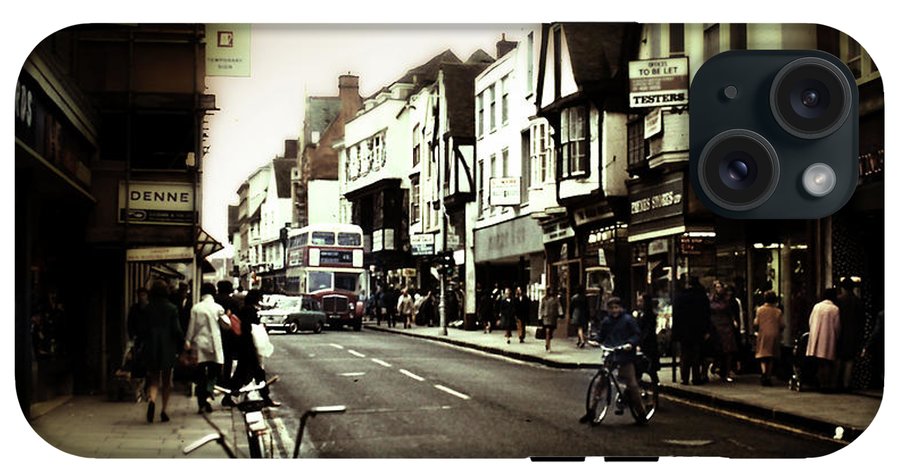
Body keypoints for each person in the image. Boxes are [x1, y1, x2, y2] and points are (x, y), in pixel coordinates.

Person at [581, 296, 646, 424]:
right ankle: (592, 411)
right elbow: (602, 335)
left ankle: (641, 413)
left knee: (632, 385)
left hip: (625, 356)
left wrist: (630, 344)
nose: (614, 310)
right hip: (611, 354)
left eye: (616, 307)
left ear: (621, 308)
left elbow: (636, 334)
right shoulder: (607, 321)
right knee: (600, 383)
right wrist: (595, 341)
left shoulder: (628, 320)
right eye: (611, 308)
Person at [142, 280, 184, 423]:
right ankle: (164, 410)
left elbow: (143, 330)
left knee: (154, 379)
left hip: (152, 346)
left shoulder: (147, 308)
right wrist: (183, 343)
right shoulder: (171, 308)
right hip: (167, 347)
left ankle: (152, 400)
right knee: (167, 380)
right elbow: (177, 330)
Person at [229, 289, 280, 407]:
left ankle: (232, 396)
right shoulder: (249, 310)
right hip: (249, 347)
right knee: (252, 373)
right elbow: (248, 329)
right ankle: (265, 398)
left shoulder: (245, 309)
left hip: (246, 347)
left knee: (249, 373)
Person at [184, 282, 226, 414]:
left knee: (200, 374)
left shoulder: (196, 308)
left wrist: (188, 340)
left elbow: (192, 326)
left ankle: (201, 402)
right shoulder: (218, 308)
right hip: (214, 344)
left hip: (199, 344)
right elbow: (227, 325)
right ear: (213, 293)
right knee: (215, 370)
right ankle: (209, 390)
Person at [672, 276, 712, 385]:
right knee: (696, 355)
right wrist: (706, 330)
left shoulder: (680, 297)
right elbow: (706, 315)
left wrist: (675, 332)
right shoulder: (701, 297)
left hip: (683, 331)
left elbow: (676, 315)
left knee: (684, 354)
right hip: (697, 330)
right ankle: (696, 377)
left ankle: (684, 378)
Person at [806, 287, 841, 392]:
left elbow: (810, 321)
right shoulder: (835, 309)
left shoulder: (817, 307)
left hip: (816, 337)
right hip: (828, 338)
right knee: (827, 362)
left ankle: (821, 384)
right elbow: (837, 326)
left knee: (820, 362)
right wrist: (837, 336)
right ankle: (826, 385)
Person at [214, 280, 240, 405]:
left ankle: (214, 386)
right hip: (229, 338)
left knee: (214, 364)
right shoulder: (233, 302)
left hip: (214, 336)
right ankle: (226, 395)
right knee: (228, 364)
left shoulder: (213, 301)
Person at [836, 278, 864, 391]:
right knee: (849, 360)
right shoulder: (858, 301)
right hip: (853, 335)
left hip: (840, 333)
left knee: (839, 359)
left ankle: (836, 382)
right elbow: (862, 320)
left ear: (843, 288)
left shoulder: (838, 300)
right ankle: (846, 384)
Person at [709, 280, 739, 383]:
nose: (719, 289)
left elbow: (731, 312)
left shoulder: (727, 300)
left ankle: (726, 372)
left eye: (720, 287)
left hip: (726, 325)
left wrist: (734, 321)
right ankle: (717, 366)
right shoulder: (711, 299)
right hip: (715, 325)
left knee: (728, 350)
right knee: (717, 349)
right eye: (717, 287)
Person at [754, 290, 785, 386]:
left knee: (763, 355)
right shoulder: (778, 311)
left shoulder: (760, 310)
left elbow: (756, 323)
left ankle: (763, 372)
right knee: (771, 355)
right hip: (774, 334)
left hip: (763, 334)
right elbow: (782, 324)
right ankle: (768, 375)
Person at [634, 293, 660, 385]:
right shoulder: (639, 314)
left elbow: (647, 332)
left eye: (641, 301)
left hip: (649, 347)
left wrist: (640, 344)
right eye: (638, 301)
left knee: (651, 371)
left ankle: (655, 394)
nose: (638, 303)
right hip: (640, 346)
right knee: (638, 371)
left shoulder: (650, 315)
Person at [539, 287, 562, 352]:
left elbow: (559, 306)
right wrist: (540, 317)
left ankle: (548, 342)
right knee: (547, 331)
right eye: (550, 290)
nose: (551, 292)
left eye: (552, 290)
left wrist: (561, 313)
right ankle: (548, 345)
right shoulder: (544, 299)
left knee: (550, 332)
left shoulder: (556, 299)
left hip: (553, 317)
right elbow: (541, 308)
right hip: (546, 317)